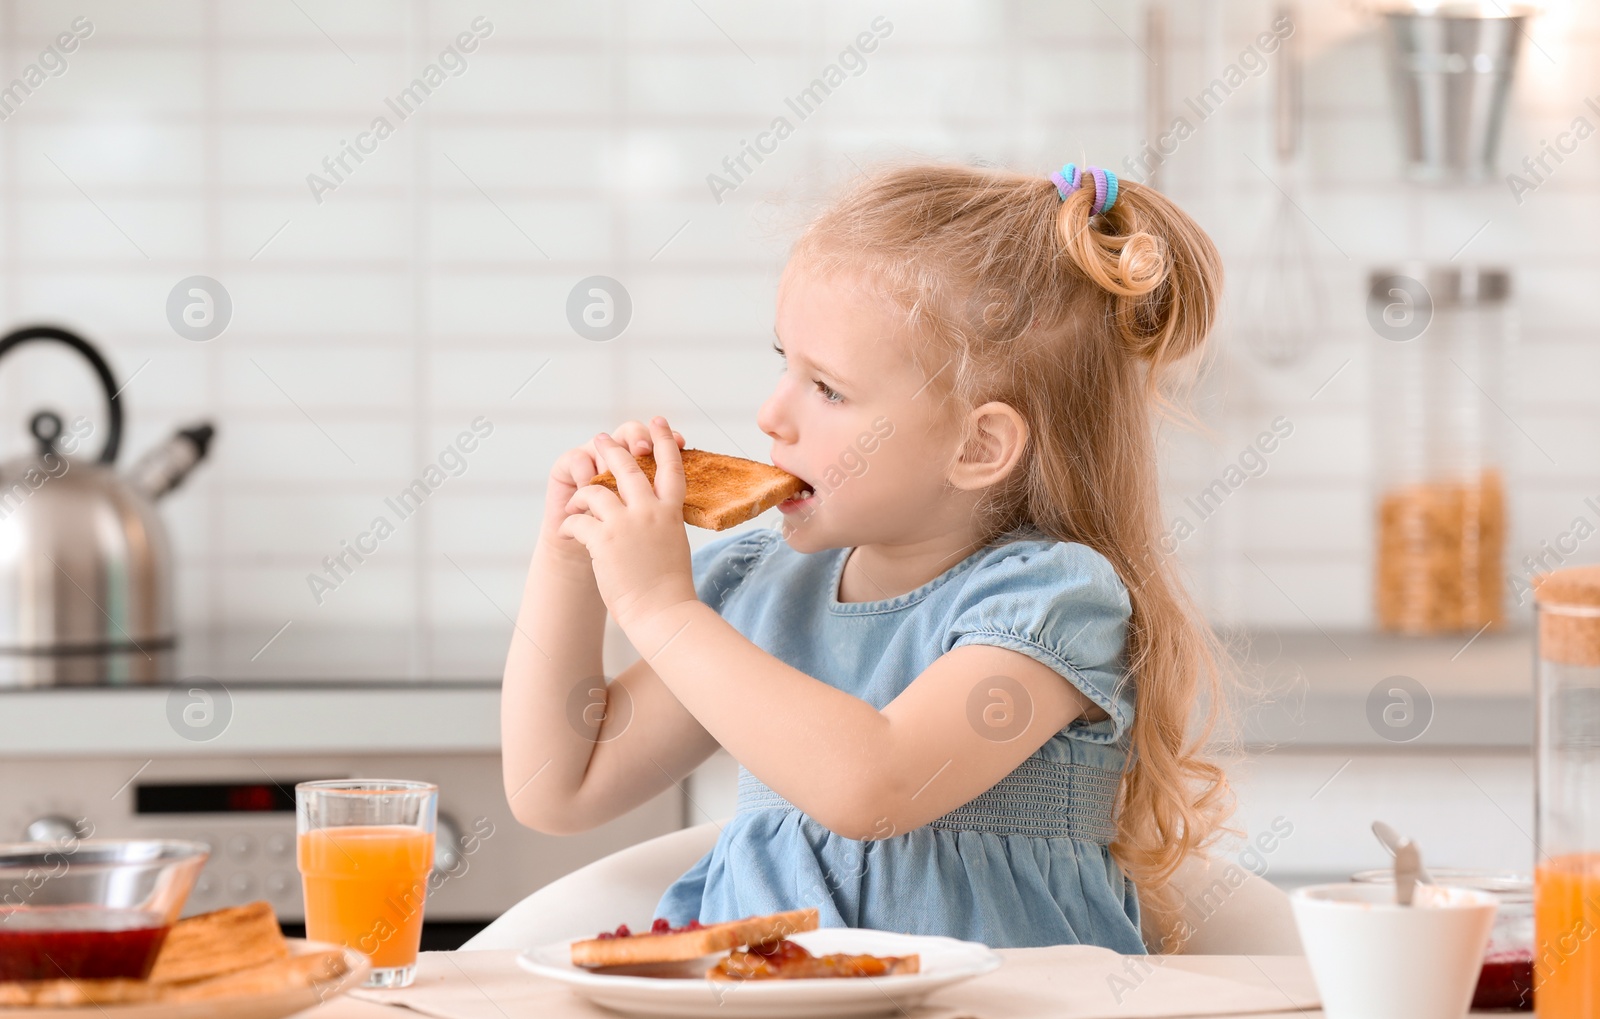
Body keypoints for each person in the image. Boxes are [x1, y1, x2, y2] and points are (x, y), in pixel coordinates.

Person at [501, 160, 1232, 953]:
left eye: (829, 389)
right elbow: (557, 788)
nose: (771, 414)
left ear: (978, 444)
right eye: (785, 363)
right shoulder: (761, 588)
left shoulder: (1049, 601)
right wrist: (571, 560)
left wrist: (660, 610)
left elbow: (874, 785)